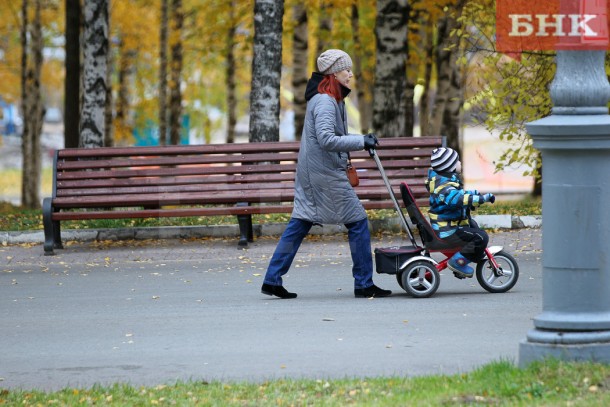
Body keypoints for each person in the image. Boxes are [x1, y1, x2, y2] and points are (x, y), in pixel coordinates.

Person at [261, 49, 392, 299]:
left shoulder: (331, 99)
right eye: (346, 70)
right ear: (334, 73)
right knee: (358, 220)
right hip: (323, 174)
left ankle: (272, 279)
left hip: (315, 173)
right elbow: (326, 139)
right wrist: (361, 141)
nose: (351, 74)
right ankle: (364, 283)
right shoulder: (324, 101)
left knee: (300, 222)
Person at [426, 147, 495, 277]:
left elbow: (459, 193)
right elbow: (457, 199)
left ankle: (468, 256)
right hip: (448, 229)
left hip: (447, 225)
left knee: (472, 225)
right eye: (457, 161)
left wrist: (475, 193)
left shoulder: (444, 182)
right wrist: (481, 199)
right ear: (449, 166)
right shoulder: (444, 185)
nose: (460, 163)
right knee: (481, 237)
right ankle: (458, 262)